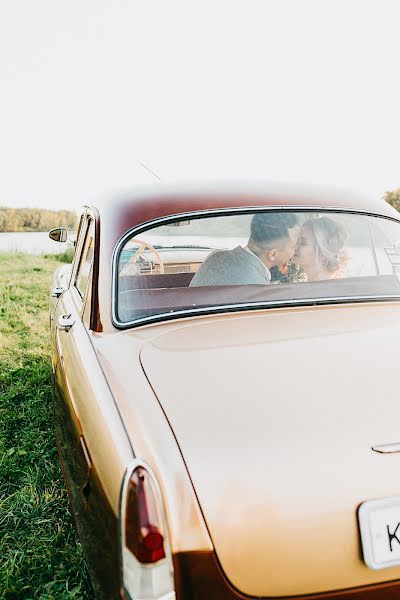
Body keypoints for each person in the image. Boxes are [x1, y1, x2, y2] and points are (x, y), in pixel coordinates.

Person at [190, 212, 300, 286]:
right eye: (294, 246)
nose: (297, 249)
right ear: (273, 255)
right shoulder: (256, 288)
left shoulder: (215, 257)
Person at [292, 216, 348, 281]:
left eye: (302, 243)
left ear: (322, 254)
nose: (295, 246)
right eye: (296, 240)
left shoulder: (325, 289)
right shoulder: (307, 284)